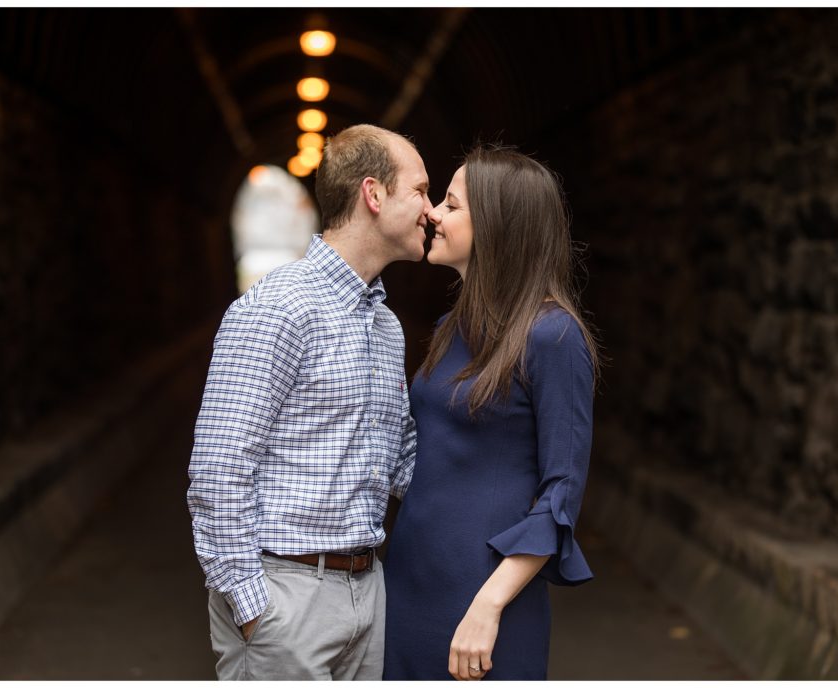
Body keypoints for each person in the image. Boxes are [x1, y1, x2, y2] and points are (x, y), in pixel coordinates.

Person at [187, 124, 431, 680]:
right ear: (374, 194)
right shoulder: (278, 308)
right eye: (420, 190)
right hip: (286, 597)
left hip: (368, 593)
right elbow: (218, 470)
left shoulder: (386, 326)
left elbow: (400, 463)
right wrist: (254, 608)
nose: (432, 209)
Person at [383, 145, 600, 680]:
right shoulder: (451, 326)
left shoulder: (553, 336)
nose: (432, 212)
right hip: (409, 579)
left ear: (498, 228)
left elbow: (560, 497)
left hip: (482, 597)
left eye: (452, 206)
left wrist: (488, 607)